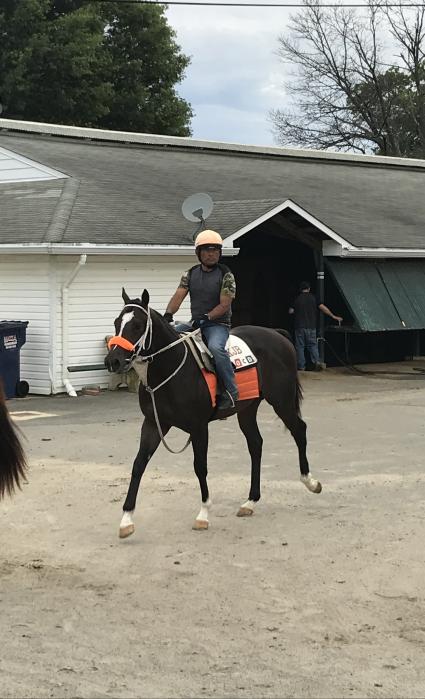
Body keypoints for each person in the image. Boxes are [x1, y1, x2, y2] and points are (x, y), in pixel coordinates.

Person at [164, 229, 239, 410]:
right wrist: (168, 314)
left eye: (215, 250)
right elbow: (179, 296)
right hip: (195, 322)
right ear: (199, 253)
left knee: (215, 348)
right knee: (168, 341)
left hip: (217, 325)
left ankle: (231, 392)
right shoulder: (189, 274)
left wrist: (207, 317)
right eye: (206, 250)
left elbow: (225, 304)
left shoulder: (226, 275)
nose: (211, 254)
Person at [289, 281, 343, 371]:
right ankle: (317, 362)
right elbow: (323, 308)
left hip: (299, 327)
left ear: (300, 289)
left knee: (300, 347)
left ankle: (301, 367)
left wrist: (295, 310)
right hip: (311, 326)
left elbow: (291, 311)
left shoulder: (297, 299)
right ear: (309, 289)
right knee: (313, 345)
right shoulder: (314, 298)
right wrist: (333, 316)